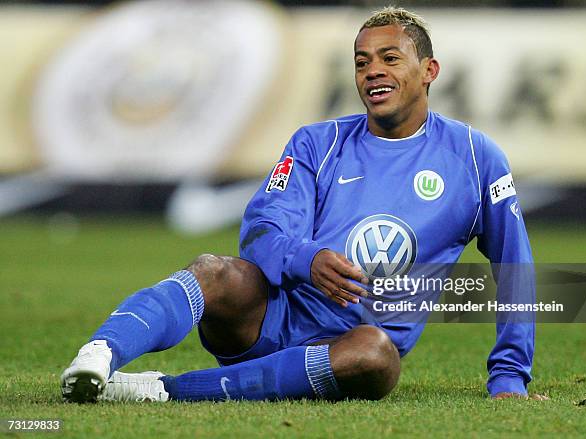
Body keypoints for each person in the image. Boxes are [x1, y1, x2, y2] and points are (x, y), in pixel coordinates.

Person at [61, 6, 540, 403]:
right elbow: (262, 230)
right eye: (361, 61)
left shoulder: (476, 159)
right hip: (267, 319)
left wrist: (509, 376)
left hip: (349, 348)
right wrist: (306, 260)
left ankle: (163, 392)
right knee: (214, 270)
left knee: (376, 356)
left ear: (429, 71)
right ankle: (100, 354)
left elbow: (514, 264)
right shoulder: (318, 143)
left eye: (390, 58)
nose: (372, 70)